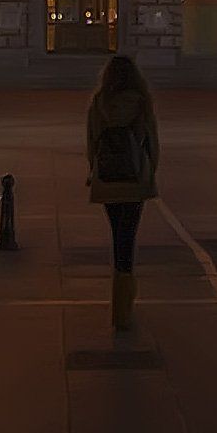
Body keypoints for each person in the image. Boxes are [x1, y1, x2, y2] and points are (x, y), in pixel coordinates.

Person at [86, 54, 160, 331]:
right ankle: (124, 304)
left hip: (108, 180)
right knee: (128, 238)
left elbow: (91, 141)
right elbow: (152, 142)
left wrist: (94, 170)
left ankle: (120, 302)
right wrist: (149, 170)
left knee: (117, 235)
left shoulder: (99, 102)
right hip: (134, 179)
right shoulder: (141, 103)